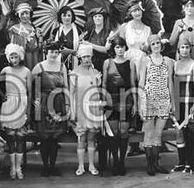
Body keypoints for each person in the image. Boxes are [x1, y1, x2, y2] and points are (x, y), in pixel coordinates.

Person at [136, 35, 174, 175]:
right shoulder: (145, 60)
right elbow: (141, 81)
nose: (156, 46)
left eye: (158, 43)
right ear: (149, 46)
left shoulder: (168, 61)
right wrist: (140, 101)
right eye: (153, 44)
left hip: (163, 99)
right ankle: (149, 165)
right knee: (149, 134)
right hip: (149, 98)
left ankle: (157, 163)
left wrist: (172, 102)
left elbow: (170, 81)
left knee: (158, 134)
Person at [31, 43, 69, 177]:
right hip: (43, 104)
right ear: (46, 52)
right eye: (51, 52)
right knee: (44, 137)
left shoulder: (62, 66)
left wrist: (67, 104)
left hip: (58, 103)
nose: (53, 54)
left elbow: (66, 87)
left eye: (56, 52)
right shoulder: (38, 67)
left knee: (54, 138)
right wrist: (34, 101)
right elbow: (31, 85)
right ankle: (45, 167)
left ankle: (53, 166)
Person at [67, 43, 103, 176]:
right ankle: (81, 166)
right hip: (80, 108)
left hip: (93, 109)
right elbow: (71, 94)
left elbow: (98, 92)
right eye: (84, 57)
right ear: (80, 58)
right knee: (81, 138)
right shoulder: (74, 73)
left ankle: (92, 165)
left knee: (92, 138)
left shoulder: (95, 73)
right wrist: (73, 111)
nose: (87, 59)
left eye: (89, 56)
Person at [0, 43, 31, 180]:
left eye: (16, 57)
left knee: (21, 138)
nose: (14, 60)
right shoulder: (5, 70)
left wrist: (28, 109)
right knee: (11, 137)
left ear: (20, 56)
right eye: (11, 57)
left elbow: (29, 91)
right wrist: (2, 95)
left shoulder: (26, 71)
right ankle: (12, 167)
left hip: (22, 103)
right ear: (8, 58)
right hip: (9, 103)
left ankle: (19, 167)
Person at [101, 37, 135, 176]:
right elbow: (103, 83)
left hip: (125, 99)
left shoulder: (130, 64)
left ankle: (122, 161)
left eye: (122, 46)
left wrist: (135, 104)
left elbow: (133, 84)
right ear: (113, 49)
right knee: (113, 133)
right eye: (117, 47)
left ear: (125, 47)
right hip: (110, 99)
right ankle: (115, 161)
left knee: (124, 132)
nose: (120, 49)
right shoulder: (107, 63)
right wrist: (103, 100)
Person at [172, 40, 194, 173]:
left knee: (190, 133)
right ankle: (181, 162)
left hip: (190, 103)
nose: (184, 50)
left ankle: (189, 163)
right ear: (178, 49)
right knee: (179, 132)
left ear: (190, 49)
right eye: (182, 47)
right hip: (178, 103)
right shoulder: (175, 64)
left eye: (187, 47)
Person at [169, 0, 194, 68]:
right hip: (182, 54)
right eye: (187, 6)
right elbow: (171, 43)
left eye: (192, 6)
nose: (189, 8)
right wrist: (177, 31)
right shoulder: (178, 22)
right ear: (183, 7)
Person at [115, 0, 153, 66]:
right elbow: (120, 45)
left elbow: (150, 49)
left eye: (139, 10)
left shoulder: (148, 29)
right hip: (128, 59)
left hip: (143, 61)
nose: (137, 13)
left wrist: (146, 47)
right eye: (134, 11)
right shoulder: (125, 27)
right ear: (130, 13)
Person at [9, 3, 44, 71]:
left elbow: (39, 49)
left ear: (30, 14)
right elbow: (13, 49)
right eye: (22, 14)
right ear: (18, 15)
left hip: (34, 59)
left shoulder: (35, 29)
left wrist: (40, 38)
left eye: (27, 13)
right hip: (22, 60)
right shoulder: (14, 29)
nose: (24, 16)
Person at [82, 6, 115, 72]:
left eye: (100, 16)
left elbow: (106, 49)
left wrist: (89, 44)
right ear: (93, 19)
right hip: (91, 63)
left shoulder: (110, 33)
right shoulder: (88, 32)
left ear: (103, 18)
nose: (97, 18)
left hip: (105, 63)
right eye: (95, 16)